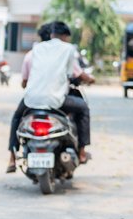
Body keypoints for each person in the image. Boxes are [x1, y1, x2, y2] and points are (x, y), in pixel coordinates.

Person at [6, 21, 93, 172]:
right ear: (65, 36)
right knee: (83, 108)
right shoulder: (68, 49)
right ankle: (82, 151)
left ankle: (12, 158)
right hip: (56, 100)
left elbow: (26, 81)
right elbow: (72, 74)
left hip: (32, 99)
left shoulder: (35, 50)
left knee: (16, 117)